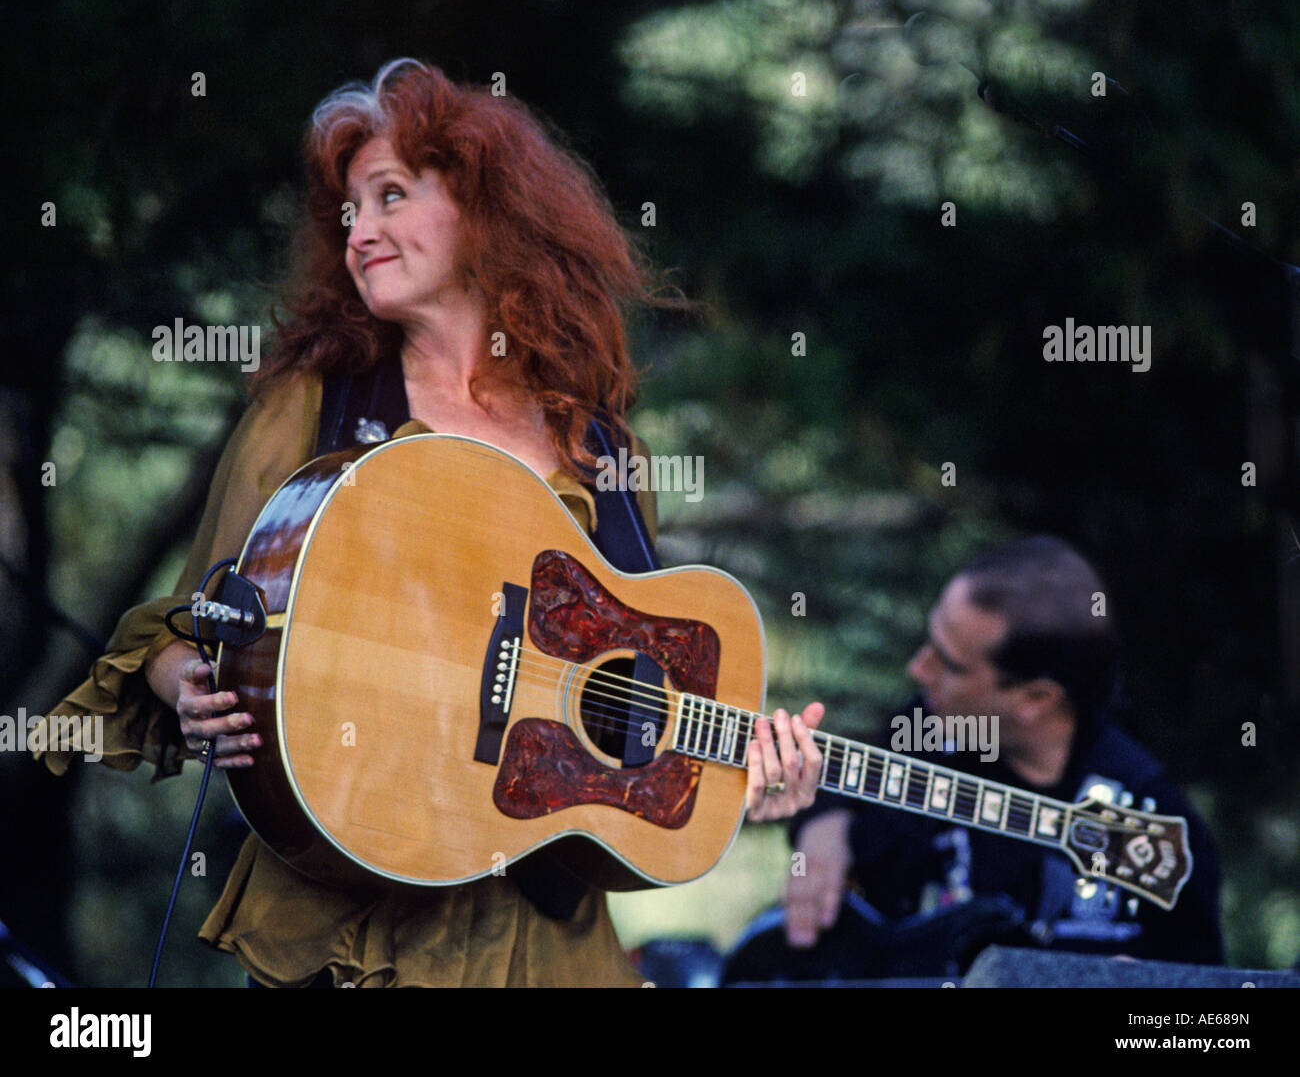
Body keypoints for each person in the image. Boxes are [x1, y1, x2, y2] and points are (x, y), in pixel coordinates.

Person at [40, 59, 824, 987]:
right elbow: (190, 623)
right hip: (355, 915)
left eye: (391, 196)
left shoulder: (603, 446)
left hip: (542, 939)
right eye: (350, 211)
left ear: (488, 211)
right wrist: (187, 685)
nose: (359, 231)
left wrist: (746, 773)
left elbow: (618, 688)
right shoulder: (313, 405)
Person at [781, 535, 1222, 973]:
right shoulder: (929, 729)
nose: (918, 668)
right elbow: (844, 777)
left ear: (1035, 698)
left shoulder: (1159, 826)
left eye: (950, 664)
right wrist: (826, 821)